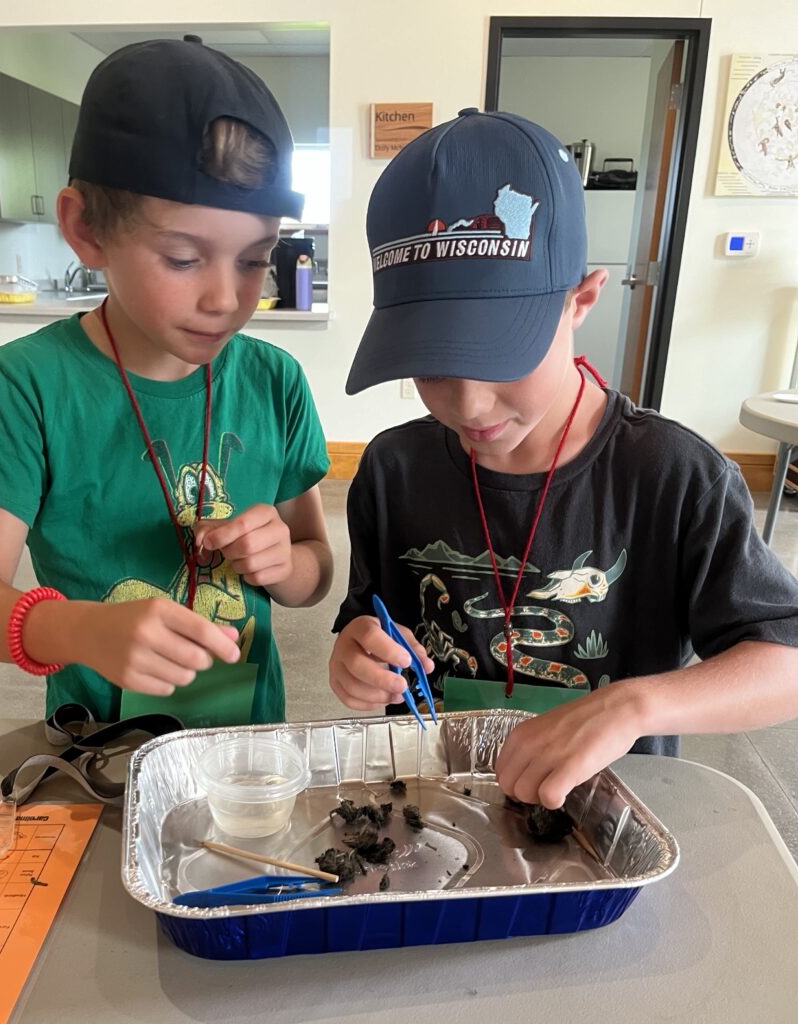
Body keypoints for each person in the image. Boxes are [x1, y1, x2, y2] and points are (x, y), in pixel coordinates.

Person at [329, 108, 798, 808]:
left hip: (604, 814)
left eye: (501, 356)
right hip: (435, 808)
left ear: (581, 300)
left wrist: (634, 706)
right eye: (430, 364)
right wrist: (354, 655)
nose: (469, 405)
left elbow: (784, 663)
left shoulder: (674, 477)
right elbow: (368, 620)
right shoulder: (393, 471)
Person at [0, 37, 333, 726]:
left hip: (249, 747)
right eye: (183, 258)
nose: (225, 299)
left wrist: (284, 565)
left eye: (255, 260)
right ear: (86, 230)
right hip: (98, 752)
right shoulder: (26, 385)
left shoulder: (276, 381)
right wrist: (82, 630)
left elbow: (316, 568)